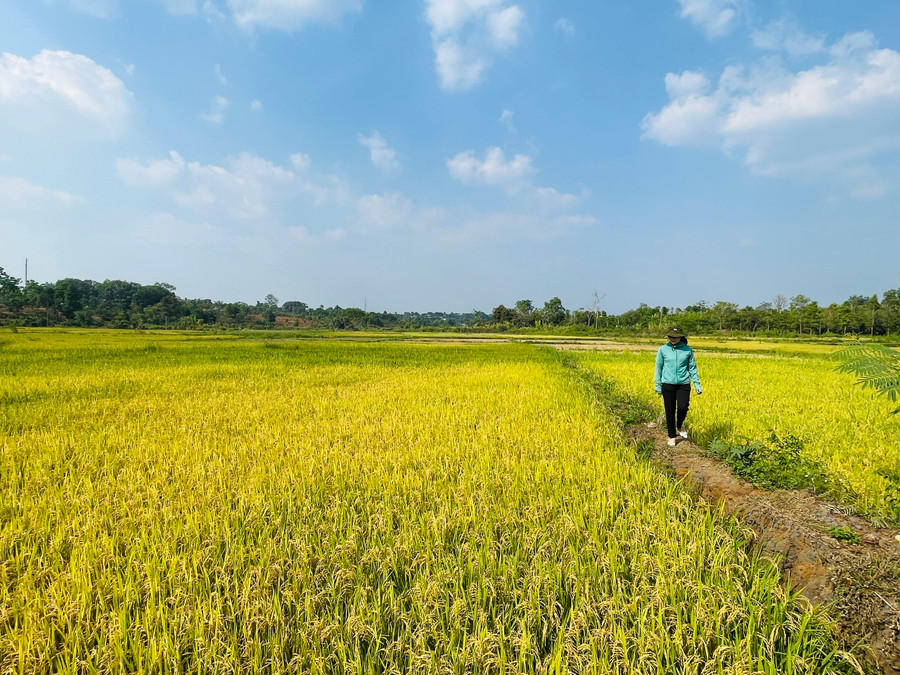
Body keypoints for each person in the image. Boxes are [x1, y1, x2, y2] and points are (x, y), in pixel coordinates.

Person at [654, 325, 702, 446]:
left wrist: (697, 385)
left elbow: (692, 368)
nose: (673, 338)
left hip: (683, 384)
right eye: (670, 336)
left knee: (683, 407)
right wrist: (658, 385)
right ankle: (671, 436)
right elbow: (658, 367)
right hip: (667, 384)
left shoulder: (687, 350)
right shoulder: (663, 349)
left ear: (681, 336)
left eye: (675, 336)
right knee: (669, 410)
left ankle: (679, 424)